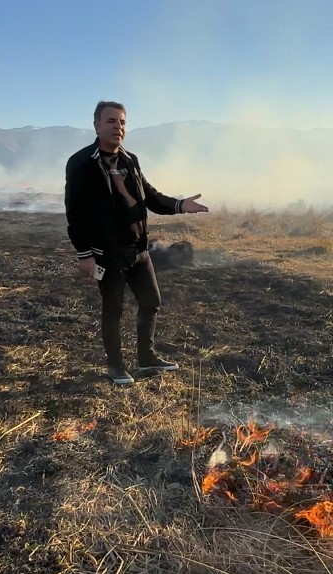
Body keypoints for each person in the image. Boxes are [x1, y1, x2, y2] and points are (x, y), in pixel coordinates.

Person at [65, 101, 209, 385]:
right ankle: (116, 366)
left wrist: (180, 205)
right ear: (96, 125)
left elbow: (151, 196)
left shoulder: (130, 160)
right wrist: (84, 255)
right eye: (111, 121)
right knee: (114, 310)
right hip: (108, 254)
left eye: (122, 122)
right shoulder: (82, 163)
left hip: (139, 251)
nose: (118, 127)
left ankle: (146, 359)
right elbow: (75, 212)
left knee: (151, 302)